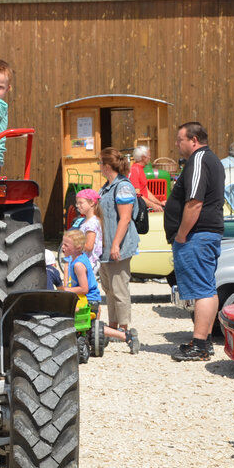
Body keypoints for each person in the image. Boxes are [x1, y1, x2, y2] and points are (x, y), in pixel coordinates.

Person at [166, 122, 225, 361]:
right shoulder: (210, 159)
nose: (177, 144)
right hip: (204, 234)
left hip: (196, 235)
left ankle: (199, 345)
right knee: (208, 289)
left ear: (194, 140)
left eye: (180, 140)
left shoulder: (199, 159)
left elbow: (195, 202)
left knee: (202, 291)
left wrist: (182, 234)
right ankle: (204, 341)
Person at [60, 229, 139, 353]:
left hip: (89, 299)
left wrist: (66, 290)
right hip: (88, 298)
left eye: (66, 245)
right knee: (91, 326)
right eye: (63, 244)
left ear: (78, 247)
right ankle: (103, 339)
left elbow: (84, 288)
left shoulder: (78, 265)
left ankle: (127, 336)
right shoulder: (77, 258)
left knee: (91, 326)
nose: (63, 247)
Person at [97, 147, 140, 351]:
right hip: (106, 247)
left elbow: (125, 218)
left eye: (100, 163)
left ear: (106, 166)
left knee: (119, 287)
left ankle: (123, 328)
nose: (98, 167)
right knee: (109, 288)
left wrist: (115, 244)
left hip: (118, 246)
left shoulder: (122, 187)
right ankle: (113, 326)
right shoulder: (107, 186)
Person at [72, 188, 103, 272]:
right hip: (84, 262)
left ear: (92, 203)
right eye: (77, 203)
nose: (77, 205)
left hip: (88, 263)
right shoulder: (87, 220)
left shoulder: (91, 223)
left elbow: (89, 246)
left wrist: (73, 244)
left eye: (80, 203)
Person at [129, 145, 166, 212]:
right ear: (143, 157)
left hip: (143, 207)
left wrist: (159, 203)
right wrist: (153, 205)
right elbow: (137, 195)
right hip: (139, 210)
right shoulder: (134, 170)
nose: (150, 157)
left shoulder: (140, 169)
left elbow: (146, 191)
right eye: (149, 155)